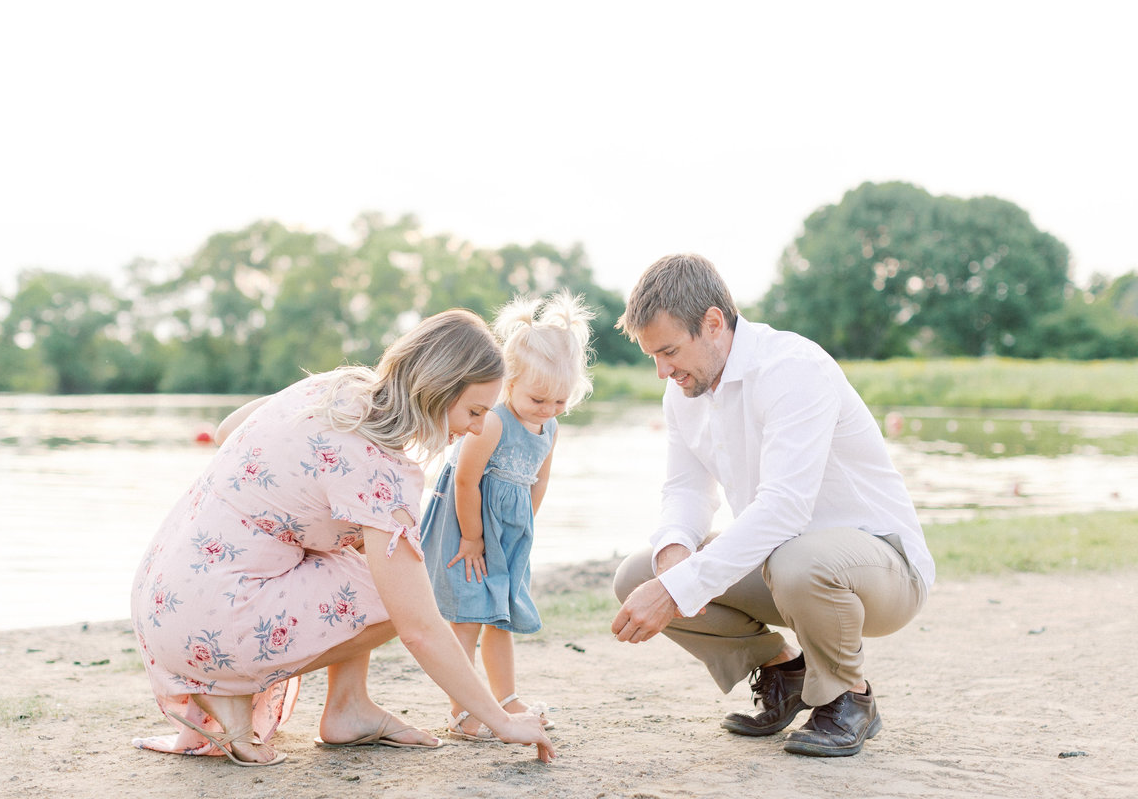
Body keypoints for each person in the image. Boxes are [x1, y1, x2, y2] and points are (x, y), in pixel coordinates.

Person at [130, 309, 555, 767]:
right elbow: (420, 627)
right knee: (407, 585)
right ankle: (235, 687)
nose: (477, 428)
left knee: (359, 547)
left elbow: (227, 430)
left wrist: (301, 518)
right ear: (435, 390)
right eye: (473, 411)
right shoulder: (381, 470)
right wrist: (501, 720)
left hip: (163, 596)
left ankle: (347, 708)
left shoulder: (337, 387)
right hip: (208, 625)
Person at [610, 254, 934, 758]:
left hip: (885, 568)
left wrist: (680, 590)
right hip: (785, 562)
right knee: (638, 576)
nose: (661, 370)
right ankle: (787, 670)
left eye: (669, 350)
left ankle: (848, 696)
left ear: (713, 323)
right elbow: (687, 490)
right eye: (654, 355)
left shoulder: (793, 369)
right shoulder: (684, 393)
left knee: (797, 559)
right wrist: (674, 558)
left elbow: (785, 508)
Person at [420, 291, 593, 742]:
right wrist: (474, 539)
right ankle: (462, 708)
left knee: (500, 614)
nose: (548, 409)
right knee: (468, 616)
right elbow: (464, 481)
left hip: (507, 533)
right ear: (509, 381)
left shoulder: (549, 427)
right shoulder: (492, 422)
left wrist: (524, 530)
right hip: (466, 525)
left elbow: (539, 480)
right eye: (539, 399)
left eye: (559, 401)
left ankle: (506, 697)